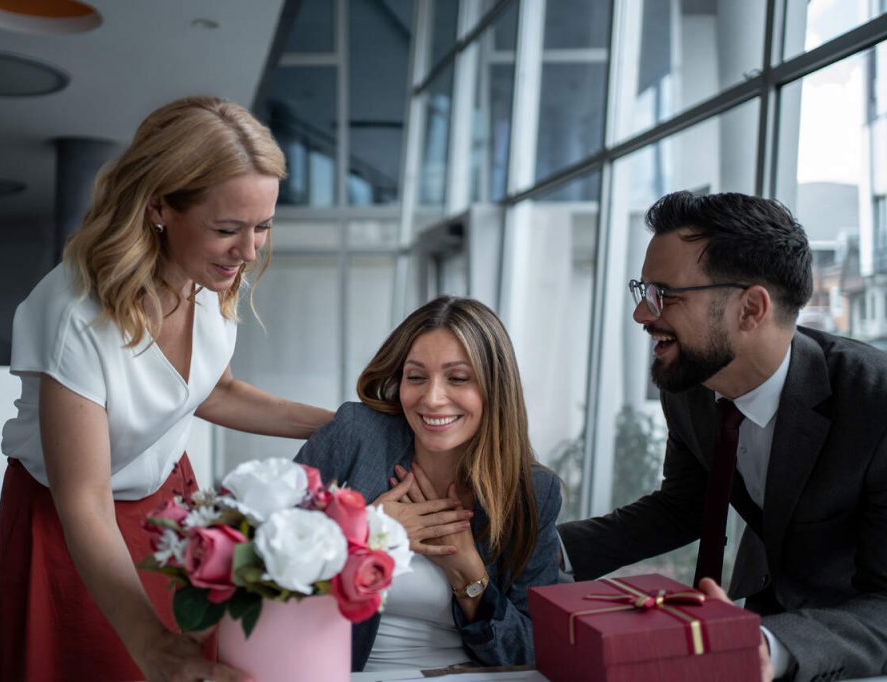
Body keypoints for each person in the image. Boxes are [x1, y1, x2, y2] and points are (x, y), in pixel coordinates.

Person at [0, 96, 334, 682]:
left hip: (170, 510)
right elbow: (84, 500)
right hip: (72, 530)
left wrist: (341, 422)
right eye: (227, 229)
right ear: (159, 207)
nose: (248, 252)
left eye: (263, 226)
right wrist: (149, 646)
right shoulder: (75, 314)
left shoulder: (208, 276)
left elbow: (215, 391)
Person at [558, 191, 887, 681]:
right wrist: (543, 549)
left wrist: (769, 646)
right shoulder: (693, 381)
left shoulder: (874, 402)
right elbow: (682, 507)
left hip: (849, 659)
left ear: (751, 308)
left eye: (664, 295)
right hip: (755, 637)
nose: (642, 316)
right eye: (642, 292)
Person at [295, 296, 562, 672]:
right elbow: (257, 563)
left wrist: (470, 575)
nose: (432, 399)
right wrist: (366, 531)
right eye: (416, 377)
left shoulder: (533, 492)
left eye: (458, 378)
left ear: (494, 388)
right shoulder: (356, 436)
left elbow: (535, 651)